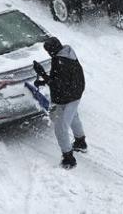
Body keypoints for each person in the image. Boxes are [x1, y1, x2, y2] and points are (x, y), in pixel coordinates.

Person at [34, 37, 86, 169]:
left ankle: (68, 158)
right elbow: (60, 79)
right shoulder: (67, 54)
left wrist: (42, 74)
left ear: (52, 49)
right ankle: (80, 142)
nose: (48, 53)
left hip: (67, 97)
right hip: (75, 93)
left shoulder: (60, 61)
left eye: (48, 51)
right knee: (74, 116)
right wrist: (43, 80)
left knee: (60, 129)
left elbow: (58, 84)